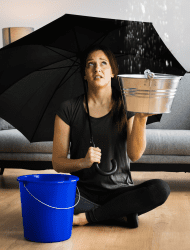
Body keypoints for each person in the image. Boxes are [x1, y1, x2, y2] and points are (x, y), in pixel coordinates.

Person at [52, 44, 170, 228]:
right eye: (90, 64)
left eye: (103, 63)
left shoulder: (127, 104)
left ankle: (88, 217)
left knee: (160, 189)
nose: (97, 68)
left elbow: (135, 154)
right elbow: (58, 163)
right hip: (81, 193)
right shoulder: (68, 108)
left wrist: (140, 118)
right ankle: (118, 212)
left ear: (113, 72)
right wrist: (82, 162)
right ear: (84, 73)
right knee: (51, 195)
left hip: (120, 191)